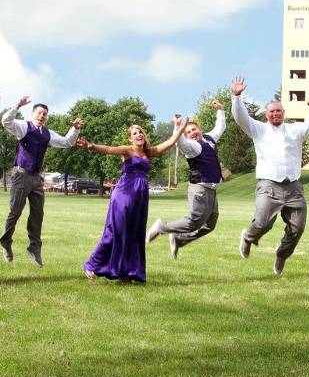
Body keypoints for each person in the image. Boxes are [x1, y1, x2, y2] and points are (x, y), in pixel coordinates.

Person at [78, 119, 187, 282]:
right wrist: (91, 146)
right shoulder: (127, 150)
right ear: (130, 138)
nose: (139, 134)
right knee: (116, 231)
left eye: (140, 132)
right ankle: (91, 264)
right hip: (123, 195)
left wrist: (180, 128)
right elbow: (108, 149)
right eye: (135, 133)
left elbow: (170, 143)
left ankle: (127, 273)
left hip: (140, 197)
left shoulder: (149, 152)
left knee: (134, 234)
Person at [231, 76, 309, 276]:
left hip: (294, 187)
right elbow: (240, 117)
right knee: (262, 223)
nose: (275, 114)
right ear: (266, 115)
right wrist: (236, 97)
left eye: (278, 110)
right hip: (269, 186)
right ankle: (248, 237)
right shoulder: (259, 130)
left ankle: (281, 255)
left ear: (283, 113)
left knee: (297, 228)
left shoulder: (294, 130)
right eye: (271, 111)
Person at [1, 95, 83, 267]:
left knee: (38, 214)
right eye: (39, 113)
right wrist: (17, 106)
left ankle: (34, 248)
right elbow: (6, 122)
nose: (42, 116)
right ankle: (6, 240)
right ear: (32, 114)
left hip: (37, 178)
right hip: (21, 176)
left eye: (45, 114)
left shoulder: (47, 133)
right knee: (15, 212)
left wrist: (74, 129)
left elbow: (67, 142)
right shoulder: (24, 127)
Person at [146, 101, 226, 258]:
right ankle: (162, 227)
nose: (193, 133)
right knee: (194, 222)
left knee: (211, 223)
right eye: (189, 132)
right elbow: (180, 143)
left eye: (194, 129)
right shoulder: (192, 147)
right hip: (200, 189)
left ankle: (179, 239)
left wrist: (221, 110)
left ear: (200, 129)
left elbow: (220, 127)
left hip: (211, 189)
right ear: (187, 135)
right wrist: (177, 127)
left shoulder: (209, 139)